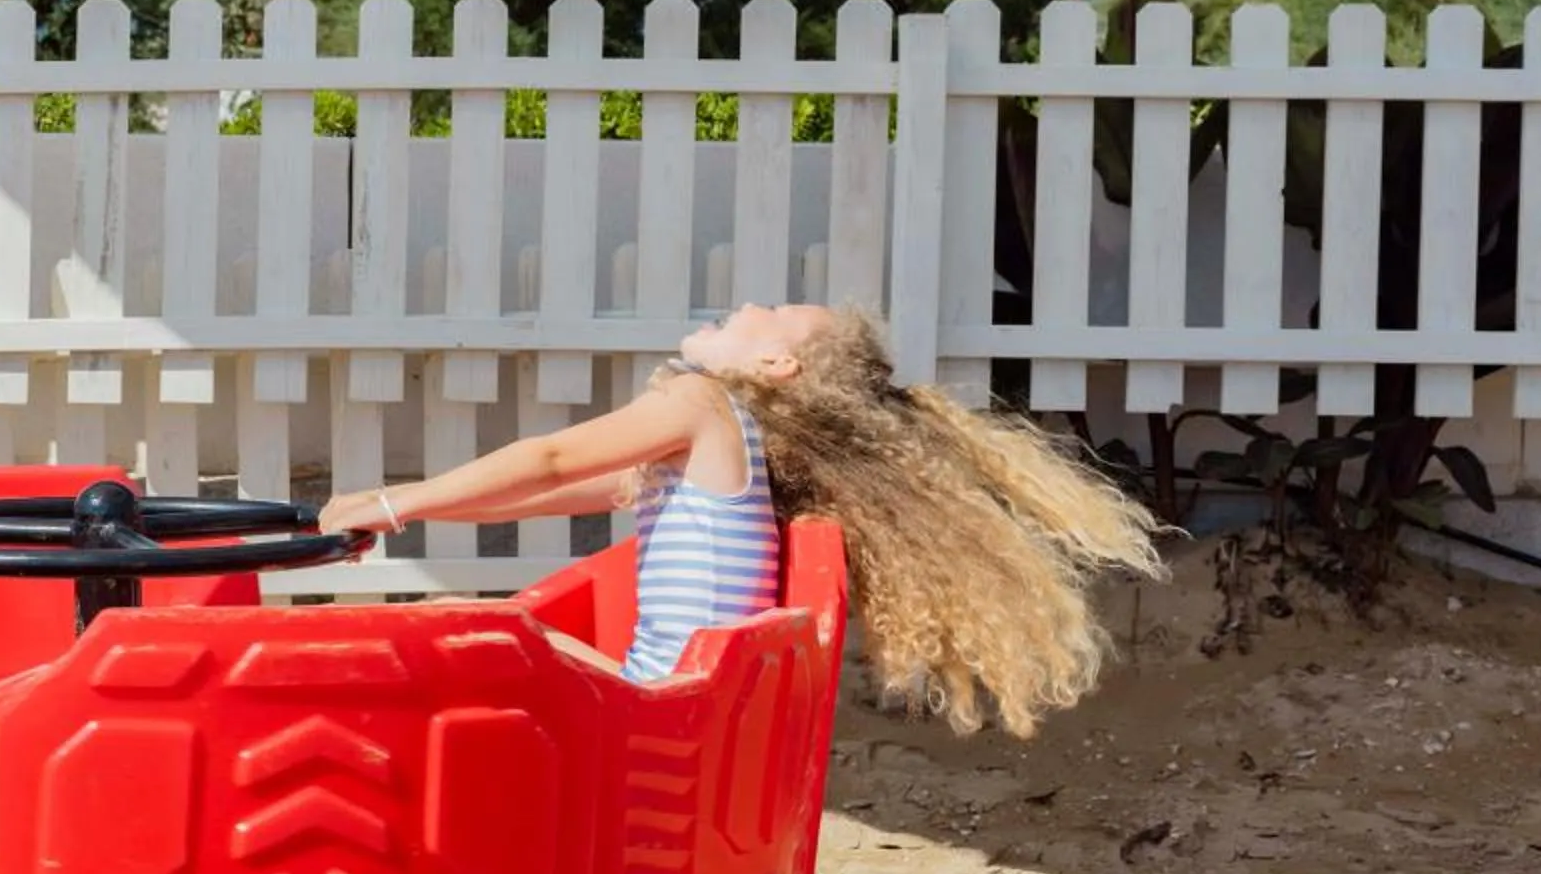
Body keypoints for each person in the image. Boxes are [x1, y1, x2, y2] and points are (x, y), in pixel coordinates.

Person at [317, 301, 1164, 738]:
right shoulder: (726, 450)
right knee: (457, 633)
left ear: (774, 361)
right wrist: (394, 520)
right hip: (669, 706)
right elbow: (565, 491)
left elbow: (549, 459)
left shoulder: (704, 406)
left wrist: (391, 501)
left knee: (413, 653)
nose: (752, 303)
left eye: (772, 312)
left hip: (641, 708)